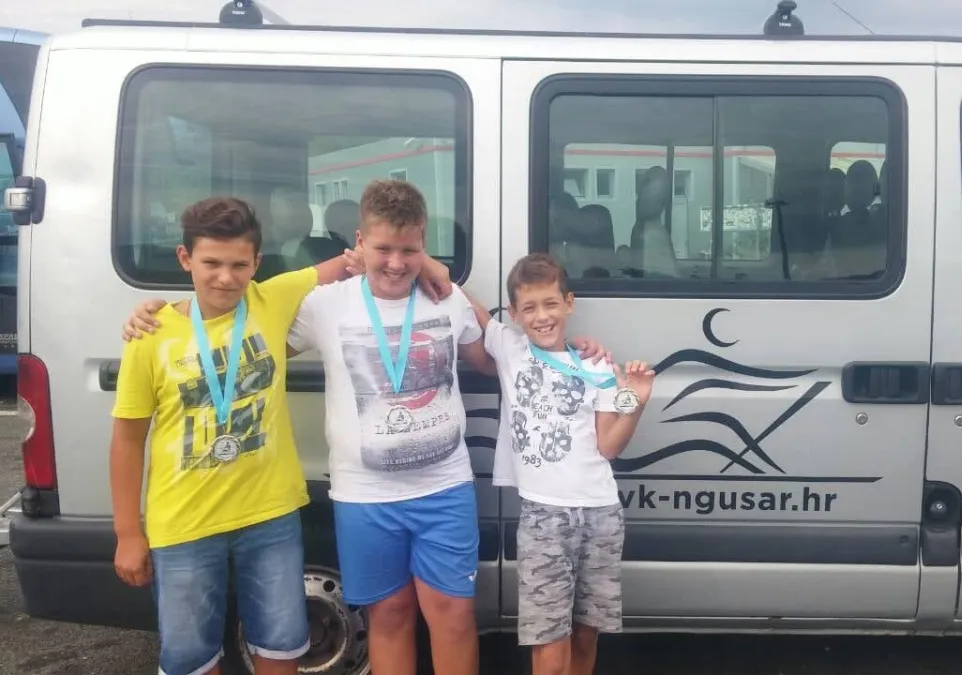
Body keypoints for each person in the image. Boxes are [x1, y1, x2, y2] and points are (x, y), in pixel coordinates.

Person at [119, 179, 611, 675]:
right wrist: (165, 315)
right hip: (363, 496)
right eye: (383, 249)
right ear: (360, 242)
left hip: (444, 489)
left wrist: (569, 353)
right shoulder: (324, 304)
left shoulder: (446, 298)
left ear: (424, 247)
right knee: (389, 615)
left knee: (452, 616)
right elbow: (242, 343)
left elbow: (499, 358)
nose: (396, 263)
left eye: (410, 251)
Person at [108, 196, 367, 675]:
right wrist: (127, 532)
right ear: (185, 258)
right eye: (211, 263)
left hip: (269, 517)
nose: (226, 278)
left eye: (238, 265)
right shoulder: (150, 336)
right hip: (184, 524)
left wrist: (432, 269)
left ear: (256, 264)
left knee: (282, 645)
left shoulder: (272, 299)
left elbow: (357, 261)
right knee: (190, 658)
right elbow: (127, 439)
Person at [460, 252, 656, 675]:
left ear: (569, 303)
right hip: (544, 517)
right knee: (549, 641)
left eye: (551, 303)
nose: (542, 316)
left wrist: (636, 403)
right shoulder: (509, 348)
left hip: (601, 514)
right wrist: (419, 265)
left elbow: (609, 447)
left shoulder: (597, 365)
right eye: (529, 307)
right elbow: (461, 299)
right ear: (514, 314)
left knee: (586, 634)